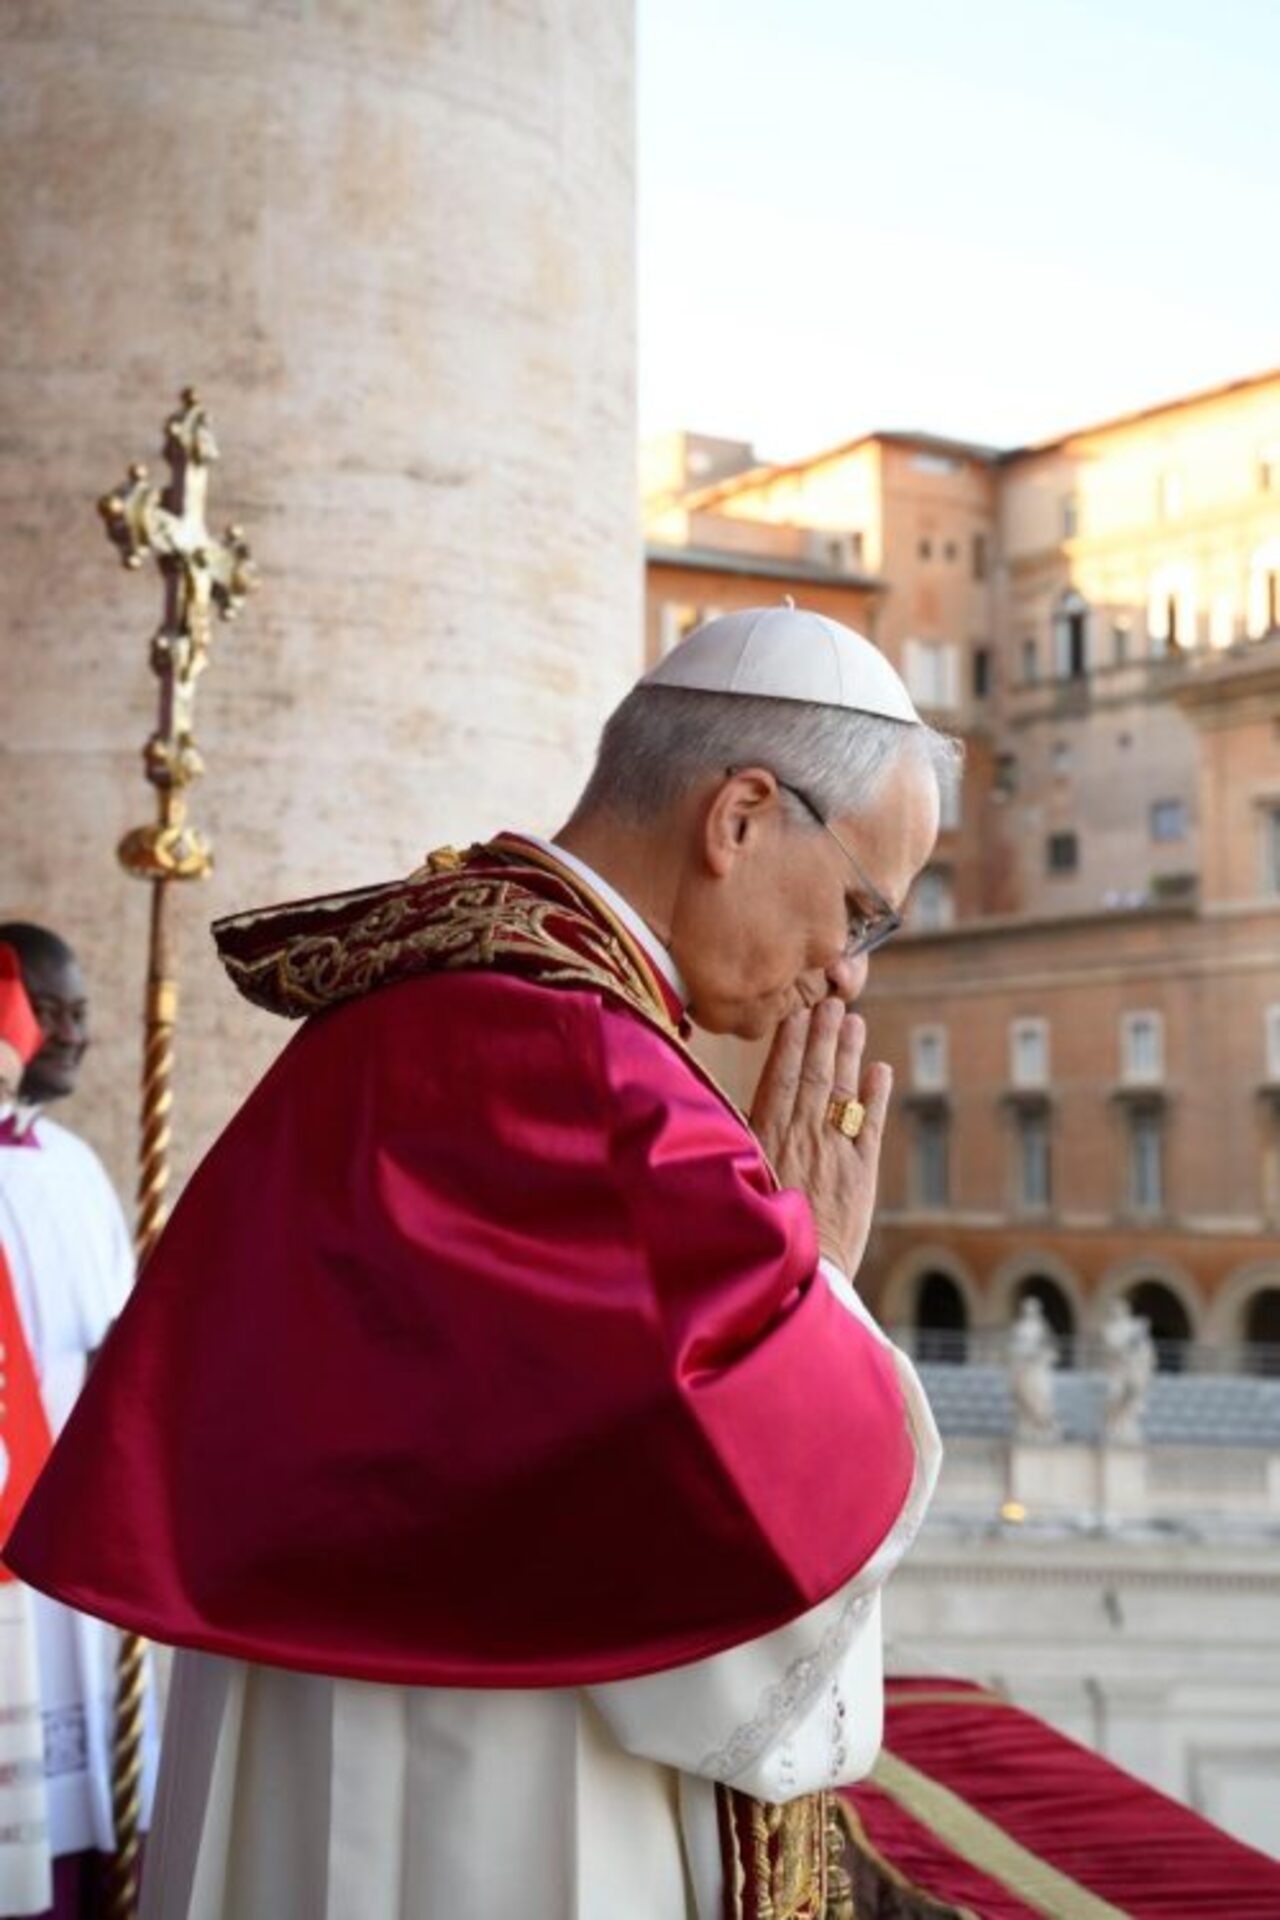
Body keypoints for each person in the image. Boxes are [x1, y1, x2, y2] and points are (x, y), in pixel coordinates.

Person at [10, 608, 950, 1920]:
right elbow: (751, 1533)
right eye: (859, 911)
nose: (846, 980)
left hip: (309, 1742)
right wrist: (821, 1280)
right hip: (491, 1799)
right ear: (738, 817)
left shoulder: (408, 1005)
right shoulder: (601, 1080)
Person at [0, 927, 158, 1918]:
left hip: (77, 1515)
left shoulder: (77, 1166)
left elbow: (119, 1345)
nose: (72, 1031)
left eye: (82, 1011)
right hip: (10, 1517)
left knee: (97, 1761)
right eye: (46, 1009)